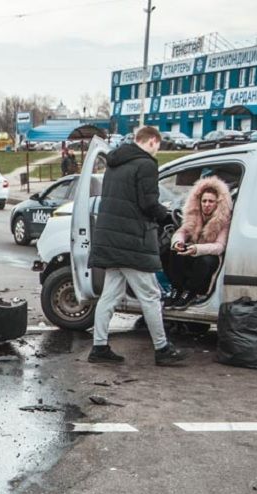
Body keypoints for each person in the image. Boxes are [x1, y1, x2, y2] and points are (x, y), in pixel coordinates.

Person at [88, 126, 187, 366]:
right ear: (152, 141)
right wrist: (169, 217)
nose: (158, 151)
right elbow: (148, 204)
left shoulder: (114, 163)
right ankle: (162, 349)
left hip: (110, 239)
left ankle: (99, 347)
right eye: (158, 145)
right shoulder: (146, 165)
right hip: (132, 241)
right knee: (151, 295)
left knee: (110, 295)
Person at [166, 176, 232, 309]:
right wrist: (178, 243)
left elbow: (219, 247)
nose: (207, 205)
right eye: (204, 201)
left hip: (209, 256)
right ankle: (177, 289)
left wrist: (197, 249)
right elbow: (181, 232)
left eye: (211, 202)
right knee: (172, 252)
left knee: (205, 261)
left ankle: (190, 292)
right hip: (193, 251)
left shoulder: (224, 220)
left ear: (218, 203)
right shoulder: (193, 215)